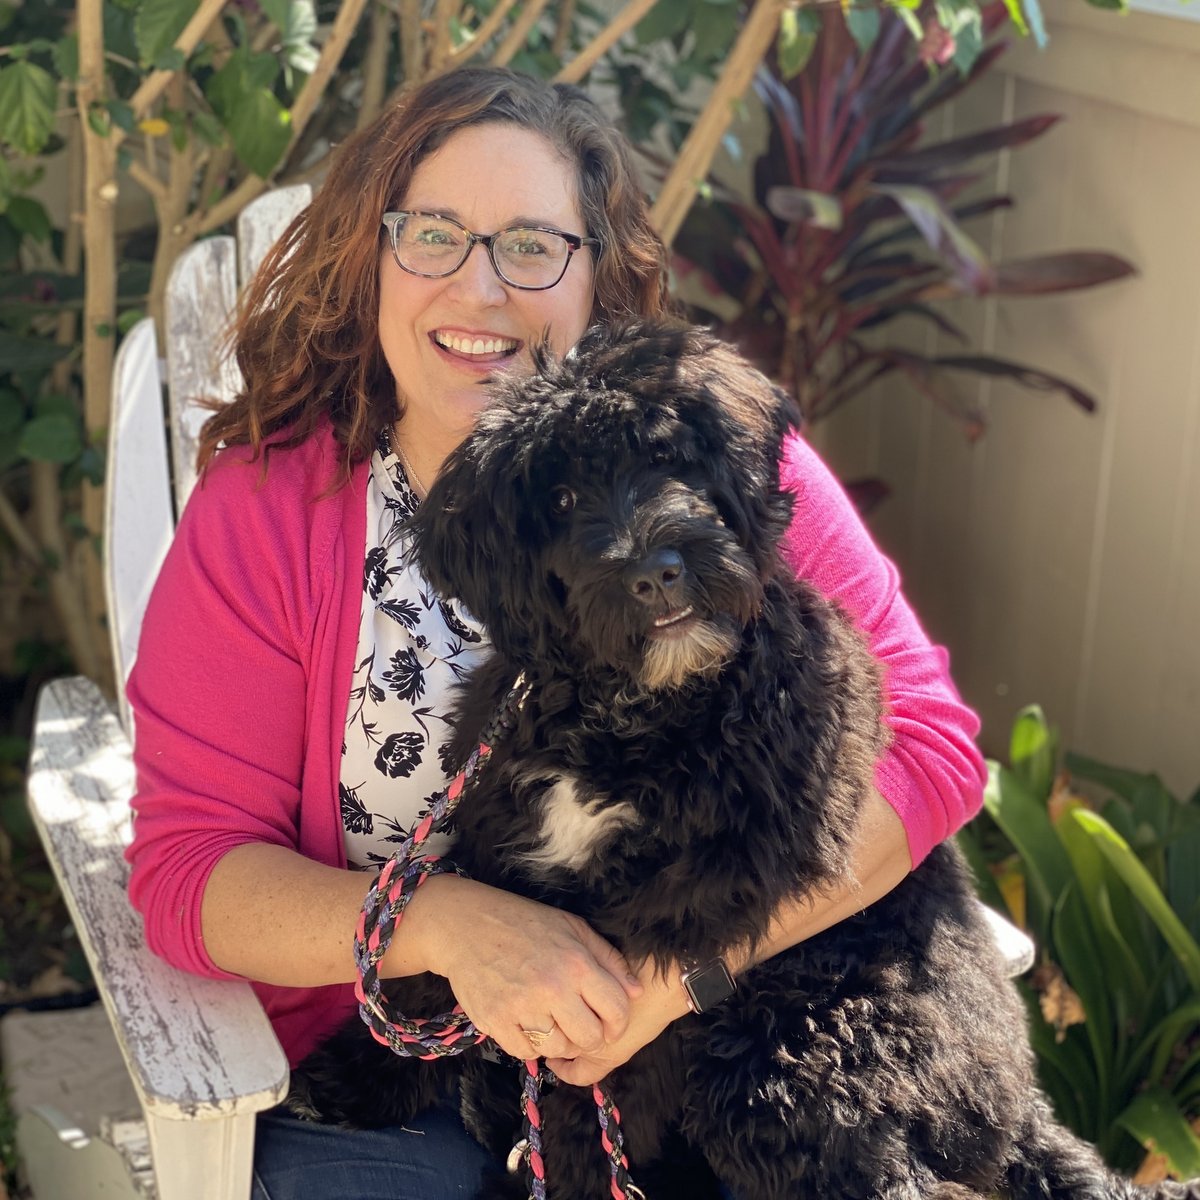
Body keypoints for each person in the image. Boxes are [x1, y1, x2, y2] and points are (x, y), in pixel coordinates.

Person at [125, 66, 987, 1200]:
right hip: (409, 1074)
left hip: (706, 1059)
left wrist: (679, 988)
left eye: (533, 247)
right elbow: (191, 873)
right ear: (369, 258)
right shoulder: (271, 513)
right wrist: (444, 926)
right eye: (434, 235)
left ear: (594, 281)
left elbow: (932, 751)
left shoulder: (708, 460)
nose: (481, 290)